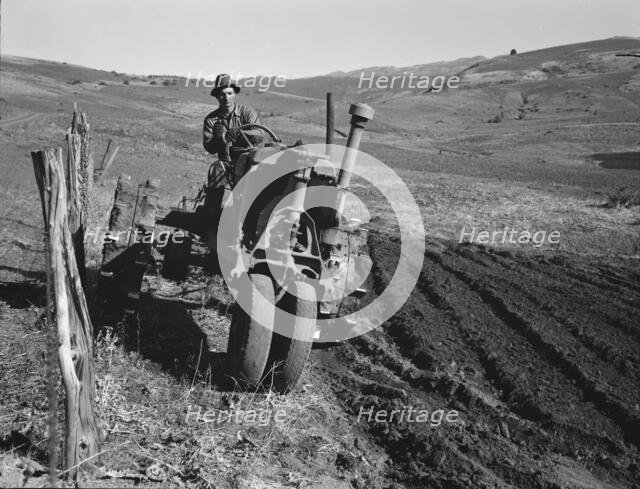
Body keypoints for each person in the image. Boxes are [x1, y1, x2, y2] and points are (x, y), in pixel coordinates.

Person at [203, 73, 260, 162]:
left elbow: (260, 134)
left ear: (234, 94)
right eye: (222, 94)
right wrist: (219, 138)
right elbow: (210, 149)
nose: (226, 98)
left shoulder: (248, 112)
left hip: (249, 160)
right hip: (225, 164)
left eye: (229, 93)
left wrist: (239, 132)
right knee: (215, 172)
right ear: (217, 96)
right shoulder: (211, 119)